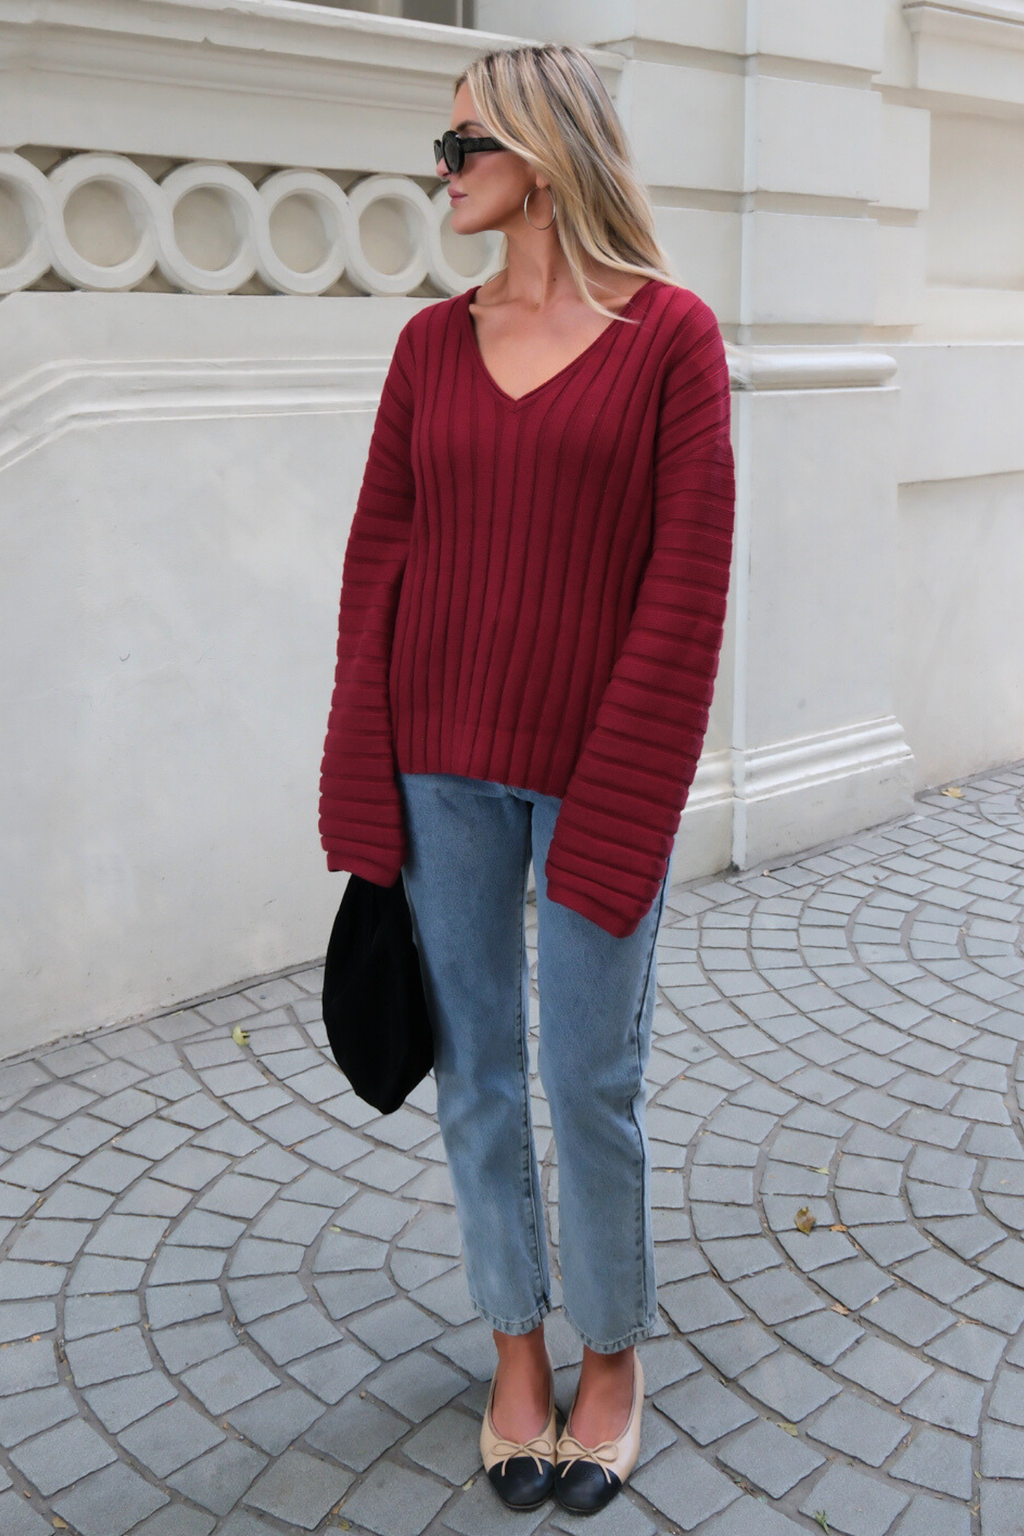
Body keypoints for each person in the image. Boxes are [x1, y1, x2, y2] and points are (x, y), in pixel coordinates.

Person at [319, 42, 735, 1517]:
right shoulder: (427, 348)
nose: (439, 172)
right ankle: (515, 1349)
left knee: (589, 1079)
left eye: (462, 148)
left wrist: (623, 797)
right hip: (438, 764)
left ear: (546, 157)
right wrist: (359, 773)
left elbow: (686, 589)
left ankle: (610, 1357)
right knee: (479, 1077)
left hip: (598, 768)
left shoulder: (671, 338)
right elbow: (378, 563)